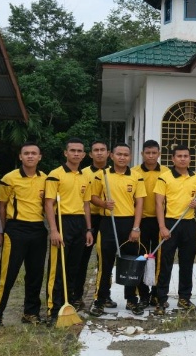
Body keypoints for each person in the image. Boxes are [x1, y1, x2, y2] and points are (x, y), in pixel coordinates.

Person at [0, 142, 47, 327]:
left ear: (40, 157)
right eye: (26, 153)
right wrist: (1, 229)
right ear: (20, 157)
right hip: (15, 230)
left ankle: (31, 313)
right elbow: (1, 205)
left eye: (34, 153)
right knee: (7, 275)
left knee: (35, 275)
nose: (30, 156)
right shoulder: (9, 178)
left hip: (39, 230)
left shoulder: (46, 179)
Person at [88, 143, 146, 316]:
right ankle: (101, 299)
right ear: (111, 156)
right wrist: (103, 203)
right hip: (108, 222)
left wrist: (136, 227)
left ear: (130, 157)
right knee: (105, 264)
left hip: (128, 223)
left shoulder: (136, 177)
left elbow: (140, 203)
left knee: (131, 263)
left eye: (126, 154)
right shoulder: (102, 175)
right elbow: (92, 197)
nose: (122, 157)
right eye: (119, 154)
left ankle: (131, 300)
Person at [44, 138, 95, 324]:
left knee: (74, 267)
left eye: (79, 151)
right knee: (58, 268)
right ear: (66, 153)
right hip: (62, 221)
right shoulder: (55, 175)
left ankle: (70, 304)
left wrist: (88, 229)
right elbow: (48, 204)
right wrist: (54, 230)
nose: (76, 153)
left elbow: (86, 204)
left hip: (79, 223)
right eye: (72, 150)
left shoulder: (84, 177)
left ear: (83, 154)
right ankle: (53, 308)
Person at [153, 145, 196, 315]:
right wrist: (162, 227)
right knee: (165, 263)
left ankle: (184, 298)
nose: (183, 159)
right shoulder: (164, 178)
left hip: (189, 224)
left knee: (187, 263)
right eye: (179, 156)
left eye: (186, 156)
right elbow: (159, 204)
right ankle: (160, 299)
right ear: (172, 159)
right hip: (169, 223)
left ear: (190, 159)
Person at [132, 139, 170, 309]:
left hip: (160, 222)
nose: (151, 156)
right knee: (140, 257)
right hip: (140, 222)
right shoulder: (134, 173)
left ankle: (157, 295)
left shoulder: (167, 173)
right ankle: (143, 295)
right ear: (142, 154)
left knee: (158, 259)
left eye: (154, 153)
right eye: (148, 153)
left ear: (159, 154)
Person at [74, 140, 111, 312]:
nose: (99, 153)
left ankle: (104, 295)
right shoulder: (83, 173)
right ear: (90, 154)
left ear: (108, 153)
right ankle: (77, 295)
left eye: (102, 150)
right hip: (87, 219)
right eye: (95, 150)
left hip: (107, 219)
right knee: (82, 258)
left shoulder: (114, 172)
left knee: (105, 259)